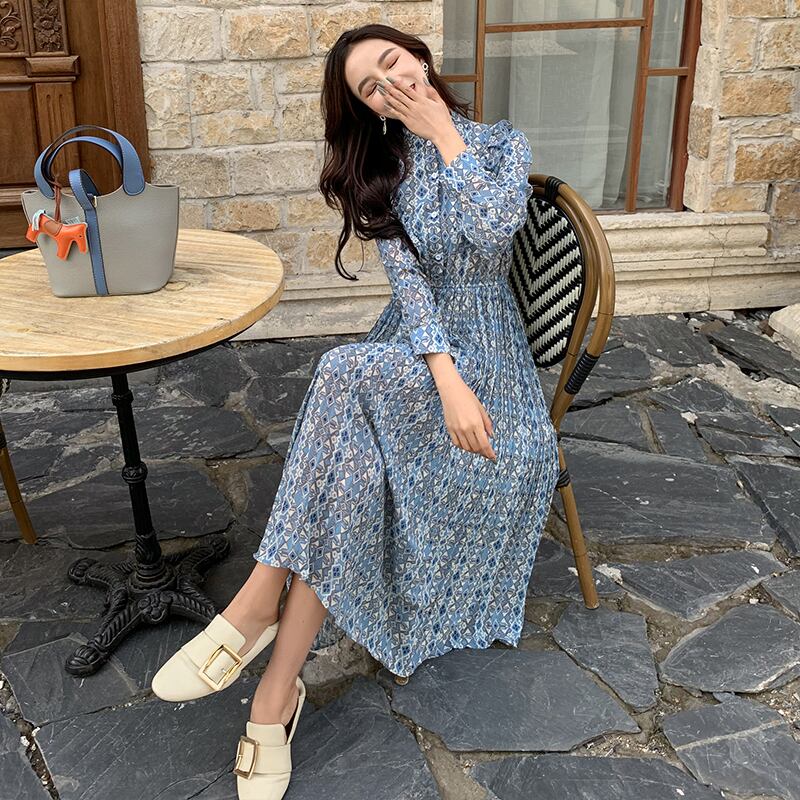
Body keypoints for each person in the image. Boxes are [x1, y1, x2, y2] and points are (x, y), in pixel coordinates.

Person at [150, 23, 560, 800]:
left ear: (421, 58)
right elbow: (411, 287)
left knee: (343, 374)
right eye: (371, 87)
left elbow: (494, 228)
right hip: (418, 353)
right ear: (368, 109)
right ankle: (274, 691)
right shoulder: (384, 170)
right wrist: (442, 377)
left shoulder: (500, 143)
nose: (390, 85)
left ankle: (258, 622)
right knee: (352, 444)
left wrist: (442, 131)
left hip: (494, 365)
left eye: (393, 63)